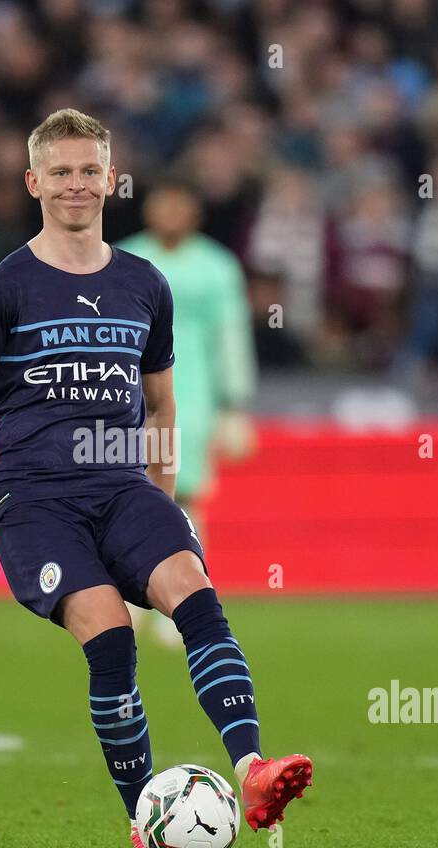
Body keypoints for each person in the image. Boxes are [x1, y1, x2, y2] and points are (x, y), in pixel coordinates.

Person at [0, 109, 311, 848]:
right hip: (33, 500)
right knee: (111, 635)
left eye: (90, 170)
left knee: (194, 587)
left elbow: (161, 400)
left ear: (112, 179)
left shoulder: (144, 284)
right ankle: (145, 824)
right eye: (61, 172)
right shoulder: (5, 287)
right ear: (34, 183)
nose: (77, 184)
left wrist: (159, 493)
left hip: (123, 486)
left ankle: (252, 768)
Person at [116, 177, 258, 647]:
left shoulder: (217, 268)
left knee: (184, 501)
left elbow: (230, 336)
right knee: (125, 499)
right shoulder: (122, 259)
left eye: (181, 203)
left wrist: (234, 405)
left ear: (194, 212)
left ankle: (185, 602)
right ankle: (132, 600)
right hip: (127, 397)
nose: (172, 213)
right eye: (164, 202)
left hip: (192, 398)